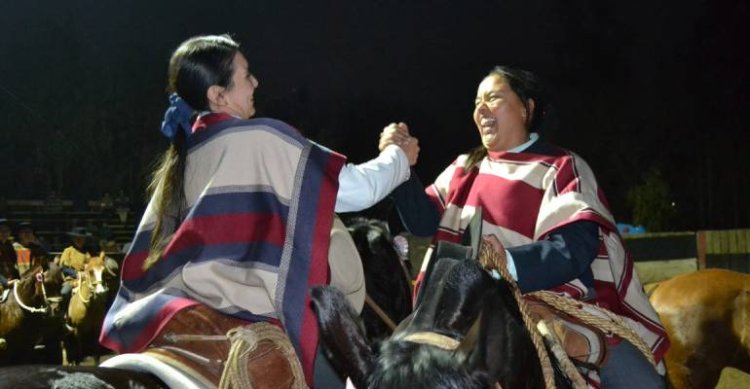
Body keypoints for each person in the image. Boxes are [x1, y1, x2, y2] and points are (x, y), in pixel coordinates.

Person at [99, 34, 418, 388]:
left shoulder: (178, 161)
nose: (256, 83)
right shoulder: (261, 138)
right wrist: (397, 155)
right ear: (217, 95)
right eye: (246, 75)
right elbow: (357, 189)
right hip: (245, 318)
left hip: (171, 317)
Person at [382, 66, 668, 388]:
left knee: (643, 384)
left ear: (526, 107)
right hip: (462, 313)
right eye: (477, 102)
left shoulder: (562, 167)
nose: (481, 109)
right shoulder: (464, 169)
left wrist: (511, 264)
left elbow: (576, 247)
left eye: (493, 98)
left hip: (554, 307)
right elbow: (423, 223)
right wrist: (399, 167)